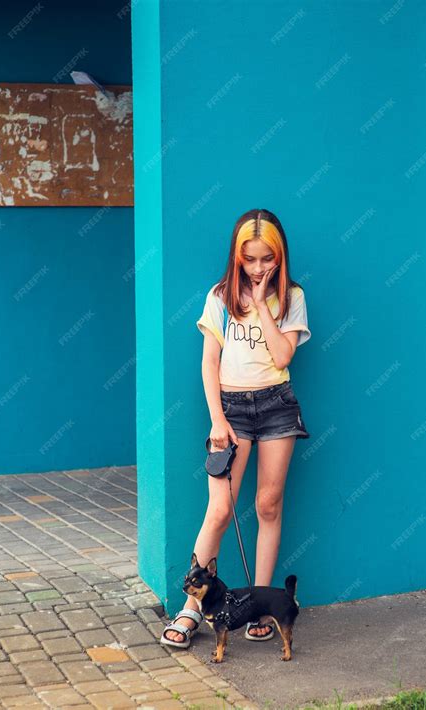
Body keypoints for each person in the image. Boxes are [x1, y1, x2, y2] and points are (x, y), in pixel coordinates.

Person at [160, 208, 311, 648]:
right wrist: (218, 420)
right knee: (220, 511)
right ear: (237, 257)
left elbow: (283, 357)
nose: (259, 267)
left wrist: (264, 303)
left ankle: (263, 605)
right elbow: (209, 362)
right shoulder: (221, 295)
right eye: (251, 259)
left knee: (268, 503)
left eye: (268, 258)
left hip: (278, 405)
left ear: (280, 256)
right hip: (232, 410)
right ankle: (190, 610)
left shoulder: (293, 297)